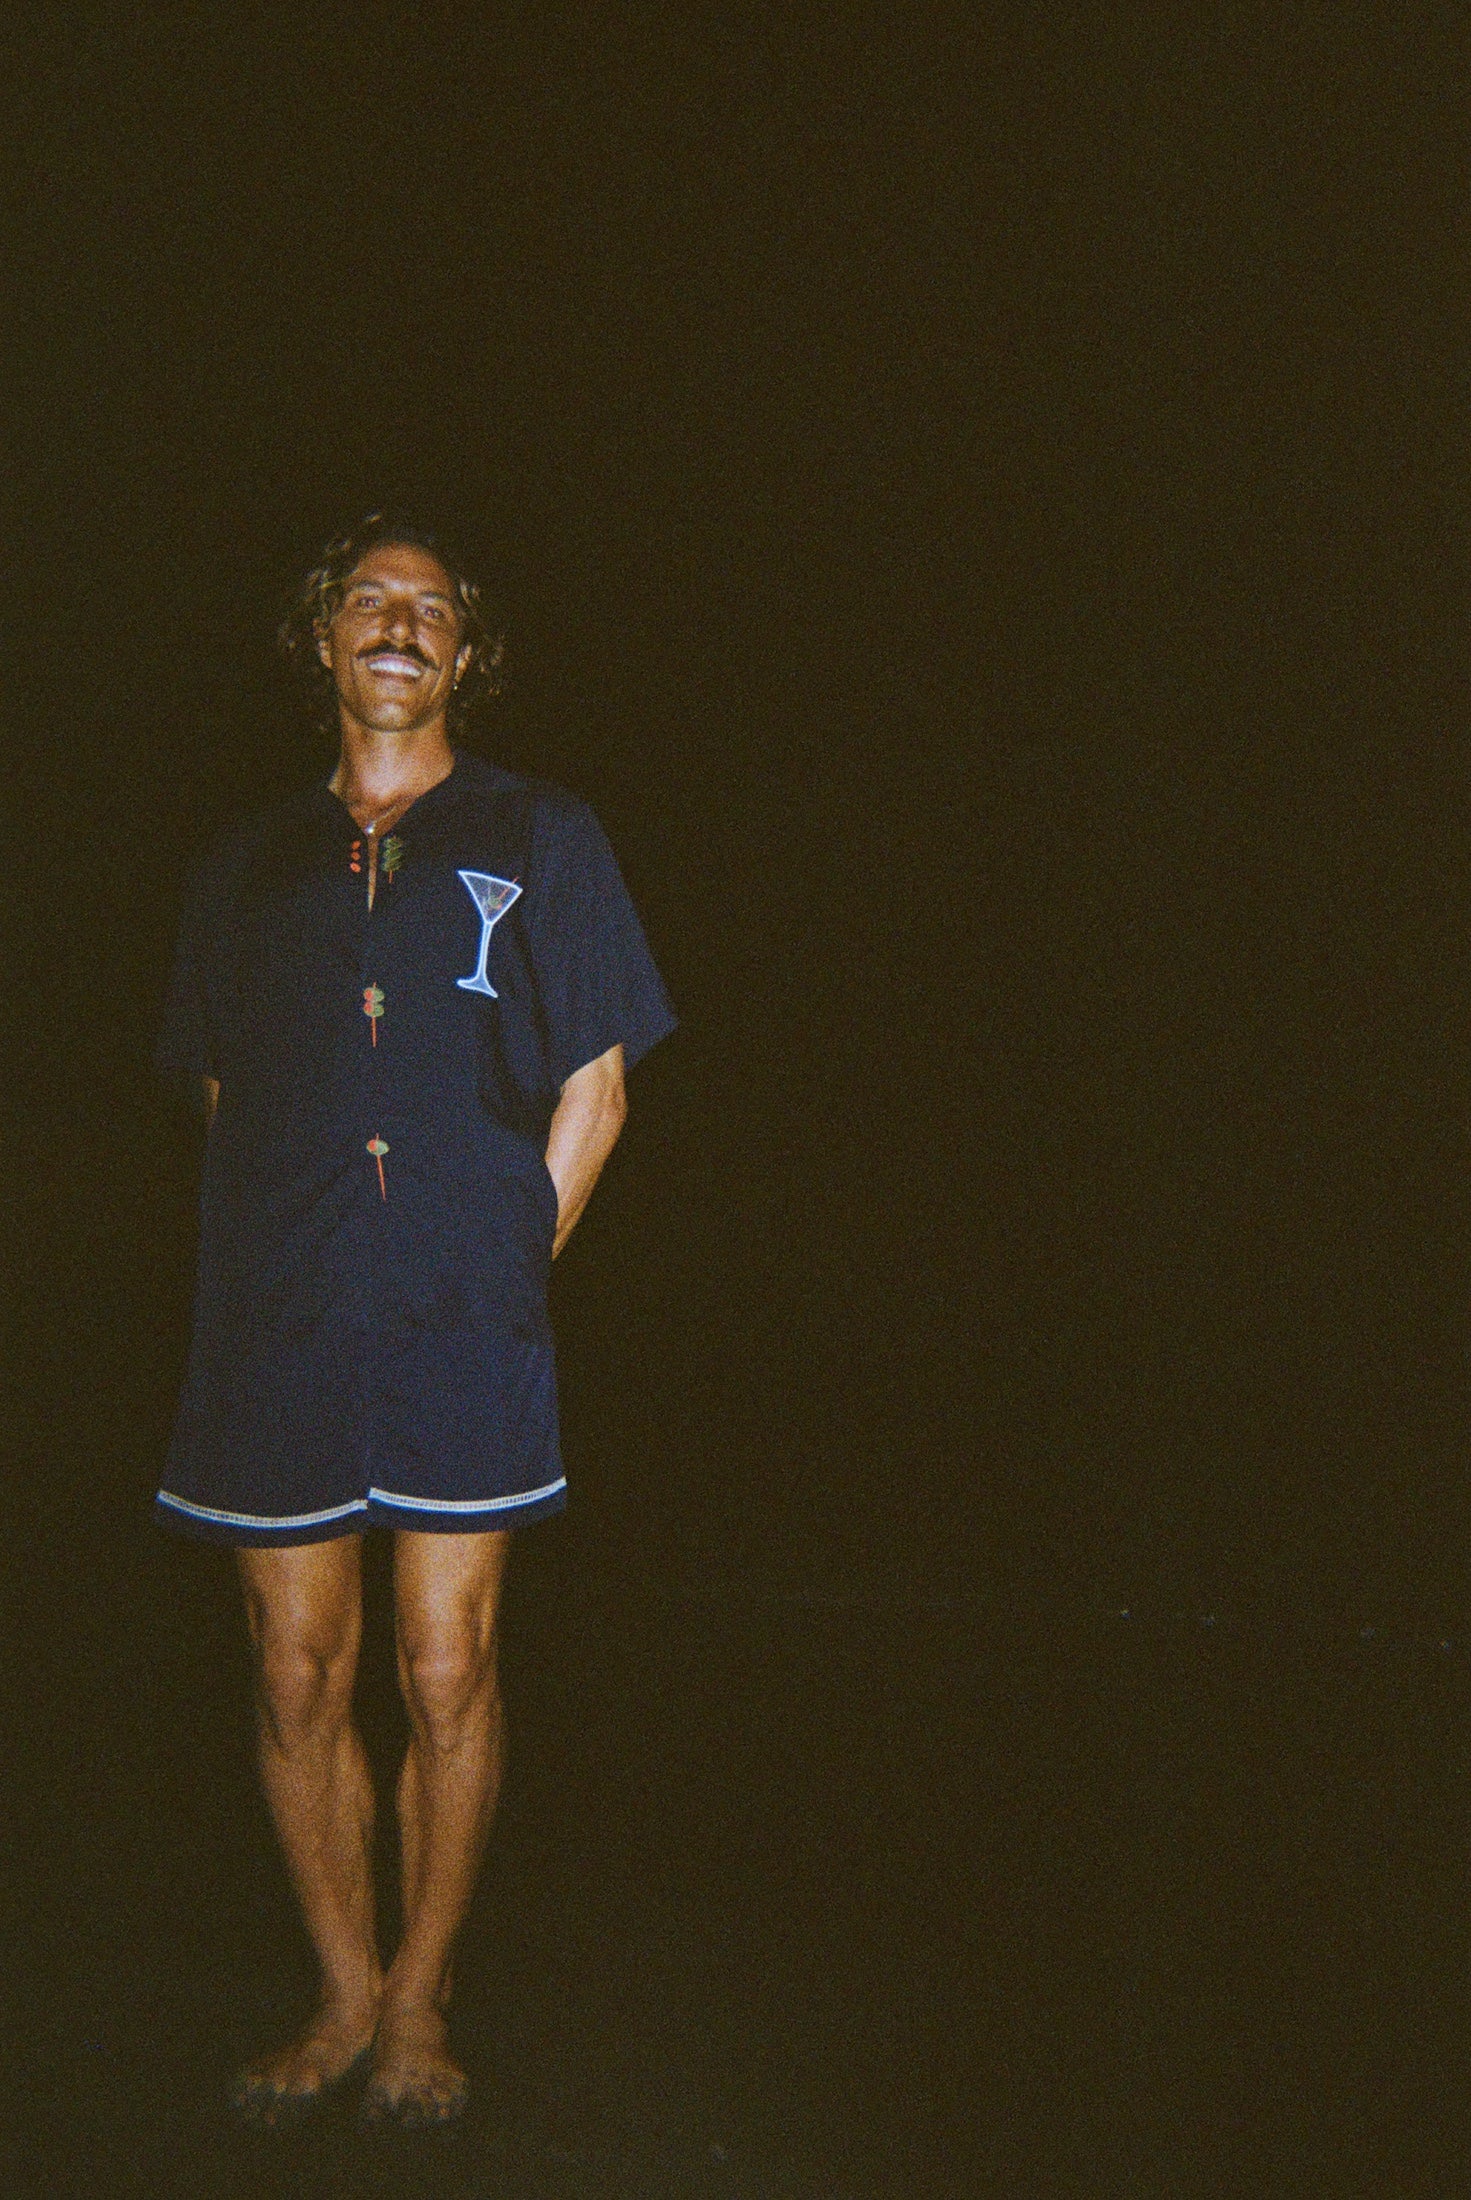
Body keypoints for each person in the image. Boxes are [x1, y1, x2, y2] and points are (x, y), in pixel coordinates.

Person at [155, 513, 676, 2126]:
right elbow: (226, 1093)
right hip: (278, 1326)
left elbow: (599, 1086)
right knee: (295, 1673)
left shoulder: (544, 831)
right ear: (323, 639)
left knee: (448, 1667)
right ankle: (339, 1994)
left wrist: (512, 1245)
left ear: (463, 654)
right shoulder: (242, 867)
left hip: (465, 1321)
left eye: (430, 609)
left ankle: (424, 2003)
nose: (400, 625)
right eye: (370, 602)